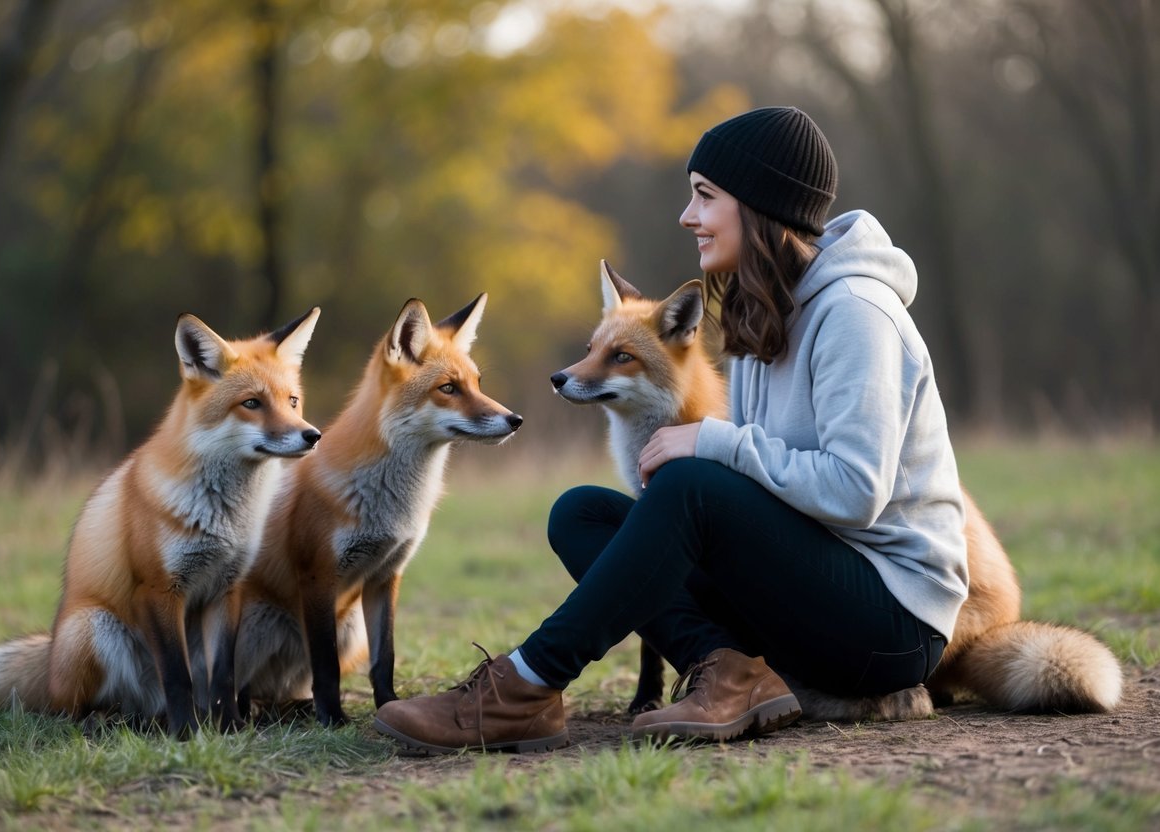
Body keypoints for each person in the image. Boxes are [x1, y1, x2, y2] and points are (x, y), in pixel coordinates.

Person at [373, 106, 969, 753]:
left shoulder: (855, 312)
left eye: (705, 197)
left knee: (689, 481)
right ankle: (730, 672)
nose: (687, 216)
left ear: (760, 205)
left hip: (887, 622)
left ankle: (523, 686)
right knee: (582, 514)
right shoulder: (759, 313)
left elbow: (855, 491)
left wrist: (712, 443)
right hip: (807, 590)